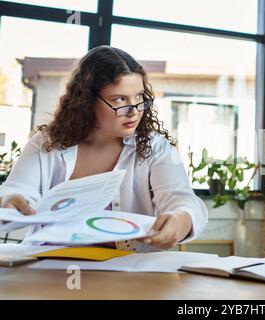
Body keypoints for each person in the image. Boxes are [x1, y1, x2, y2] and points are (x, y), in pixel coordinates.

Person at [0, 45, 208, 252]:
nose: (134, 111)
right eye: (119, 99)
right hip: (48, 265)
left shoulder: (154, 146)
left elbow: (180, 197)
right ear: (87, 100)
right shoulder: (46, 143)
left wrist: (182, 218)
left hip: (126, 270)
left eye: (139, 97)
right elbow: (16, 190)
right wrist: (8, 200)